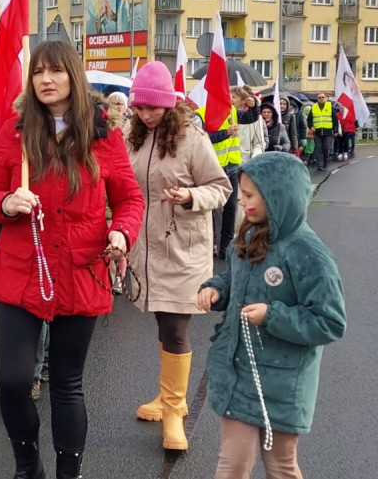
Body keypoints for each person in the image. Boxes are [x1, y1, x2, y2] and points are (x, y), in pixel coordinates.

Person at [0, 40, 145, 479]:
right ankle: (28, 467)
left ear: (73, 75)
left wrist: (122, 232)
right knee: (13, 382)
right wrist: (6, 202)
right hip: (22, 270)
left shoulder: (103, 135)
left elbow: (130, 199)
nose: (45, 80)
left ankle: (70, 473)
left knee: (67, 384)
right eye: (38, 72)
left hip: (80, 270)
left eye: (55, 71)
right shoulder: (15, 132)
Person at [196, 152, 347, 479]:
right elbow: (234, 278)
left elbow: (330, 322)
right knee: (232, 463)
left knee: (280, 464)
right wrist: (216, 290)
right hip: (239, 371)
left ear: (278, 197)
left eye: (250, 196)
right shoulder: (249, 234)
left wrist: (271, 316)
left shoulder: (309, 254)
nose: (242, 202)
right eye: (243, 193)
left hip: (283, 383)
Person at [126, 61, 231, 453]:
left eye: (152, 108)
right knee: (161, 321)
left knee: (175, 327)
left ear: (168, 104)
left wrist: (190, 196)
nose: (145, 115)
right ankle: (168, 395)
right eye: (139, 107)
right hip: (146, 248)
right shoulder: (133, 135)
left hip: (183, 248)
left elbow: (221, 187)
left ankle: (175, 411)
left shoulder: (191, 137)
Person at [196, 85, 260, 259]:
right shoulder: (200, 114)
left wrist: (254, 106)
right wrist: (225, 133)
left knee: (230, 208)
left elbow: (251, 117)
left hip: (231, 167)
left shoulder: (233, 111)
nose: (229, 99)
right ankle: (210, 244)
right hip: (211, 168)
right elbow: (201, 138)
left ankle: (225, 247)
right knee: (210, 208)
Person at [306, 93, 335, 171]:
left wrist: (335, 130)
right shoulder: (314, 107)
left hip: (328, 132)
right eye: (319, 97)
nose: (321, 99)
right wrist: (311, 126)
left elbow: (334, 118)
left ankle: (325, 162)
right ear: (317, 99)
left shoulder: (330, 107)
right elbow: (309, 119)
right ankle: (320, 164)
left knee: (326, 148)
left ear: (325, 98)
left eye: (323, 97)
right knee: (319, 148)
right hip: (317, 132)